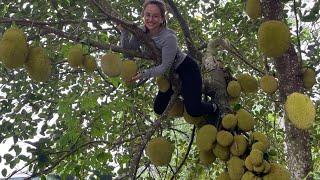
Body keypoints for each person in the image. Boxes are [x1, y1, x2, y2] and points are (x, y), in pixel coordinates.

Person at [119, 0, 220, 126]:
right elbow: (128, 53)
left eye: (155, 16)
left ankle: (214, 108)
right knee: (158, 108)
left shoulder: (169, 38)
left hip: (187, 69)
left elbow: (164, 67)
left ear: (162, 19)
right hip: (170, 75)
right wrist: (123, 32)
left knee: (193, 110)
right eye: (148, 15)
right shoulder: (140, 32)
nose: (150, 19)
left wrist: (143, 74)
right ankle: (187, 95)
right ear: (143, 15)